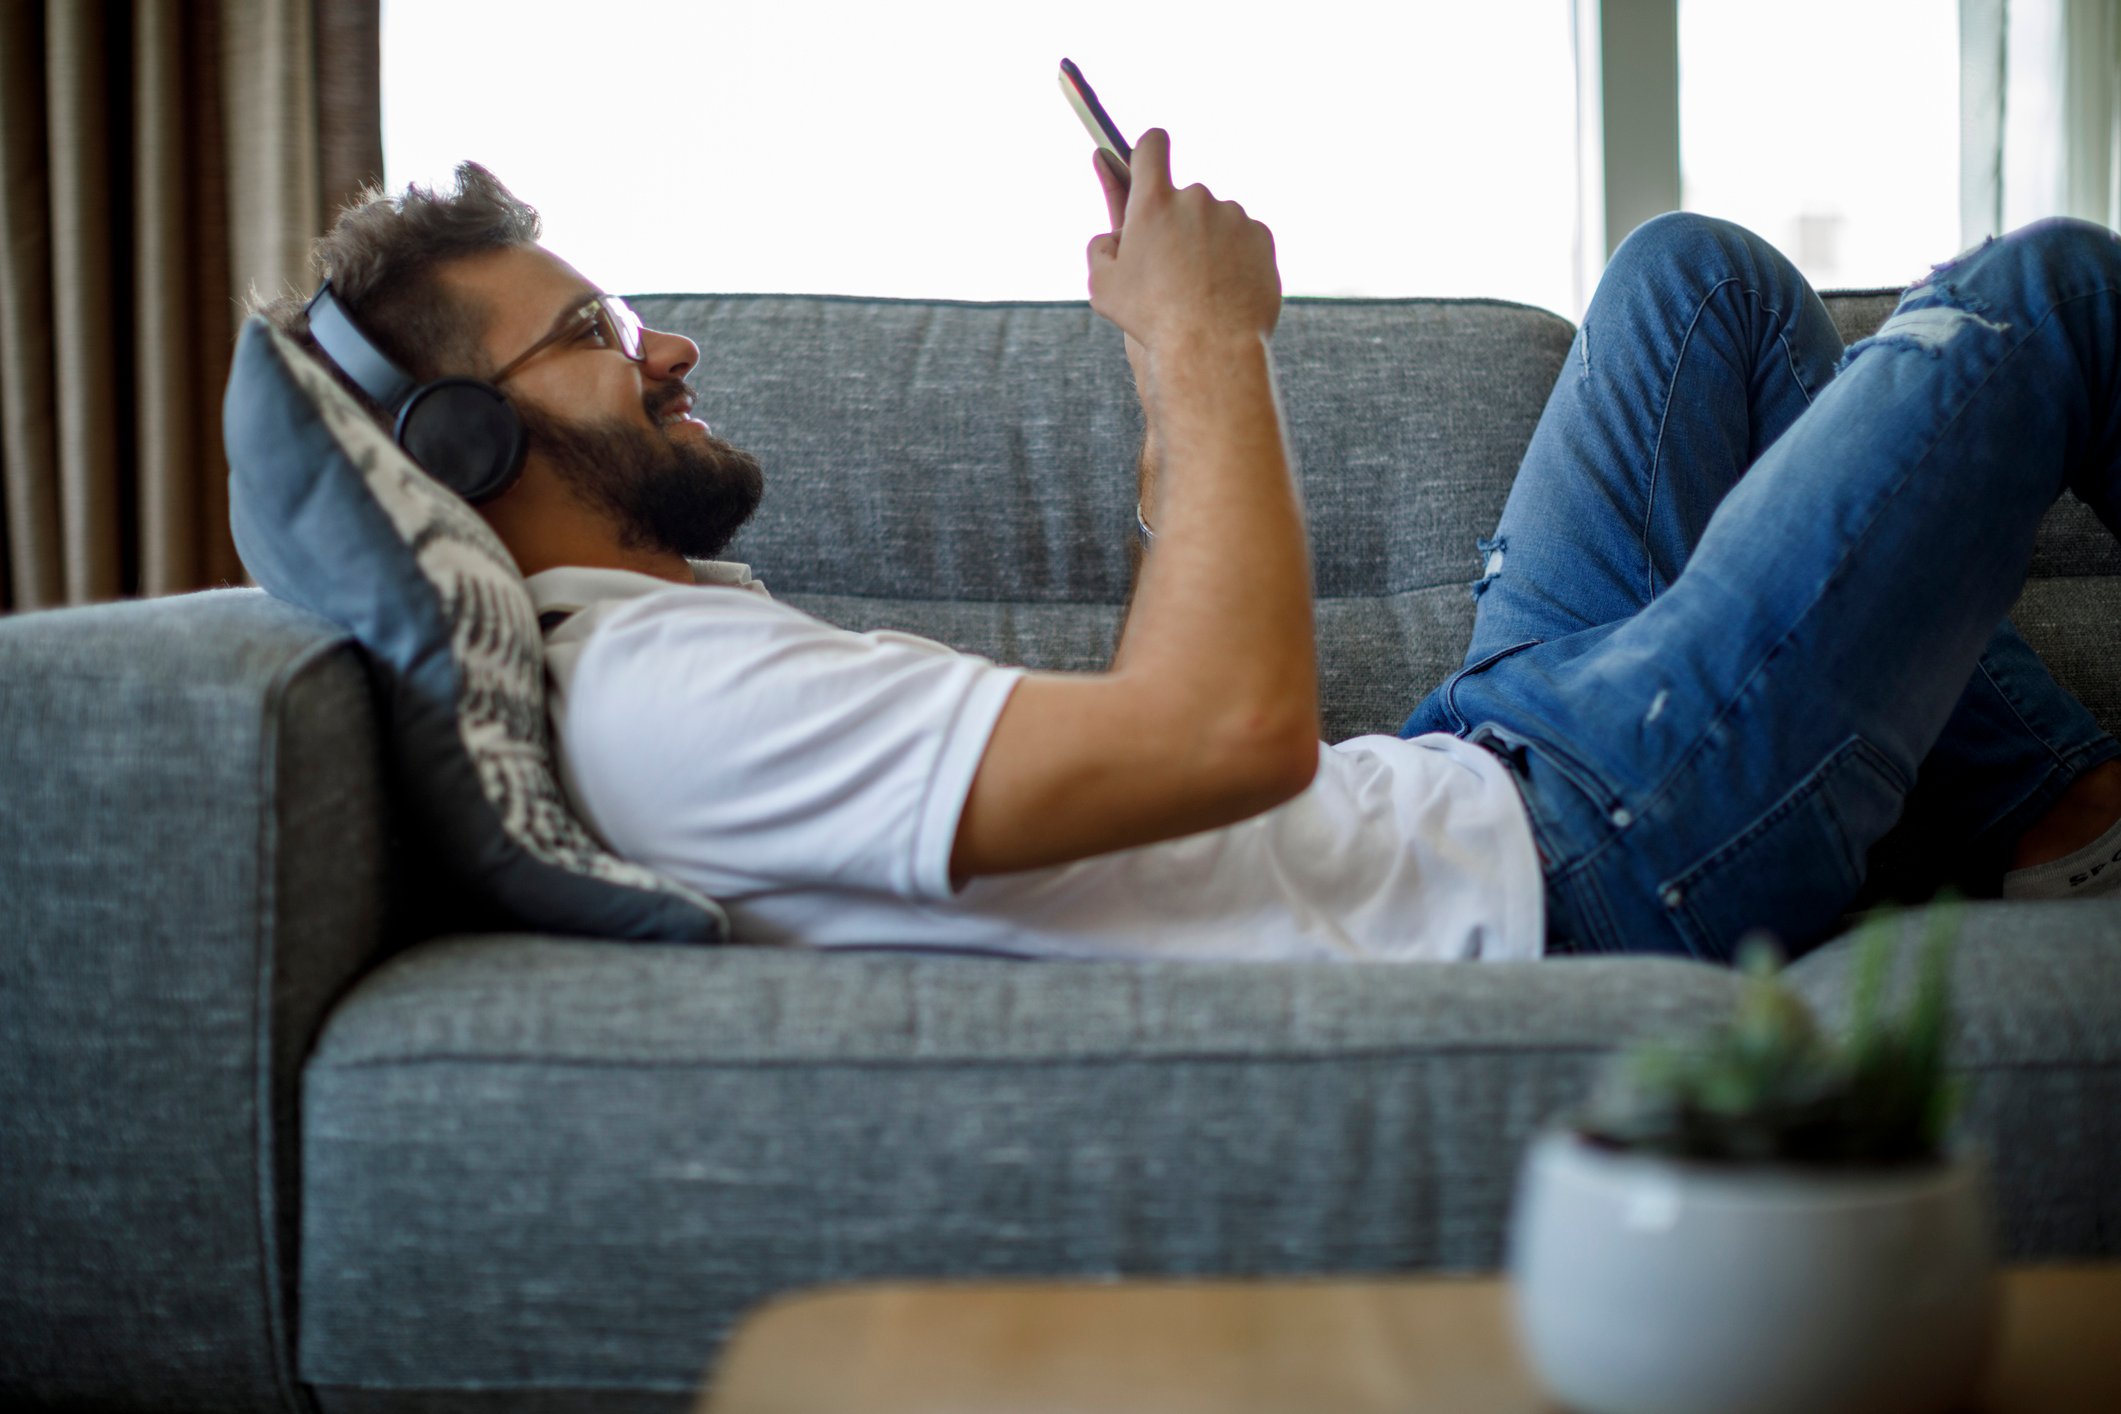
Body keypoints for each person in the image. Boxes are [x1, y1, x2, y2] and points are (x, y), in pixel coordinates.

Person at [263, 141, 2121, 964]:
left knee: (1688, 282)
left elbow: (1182, 765)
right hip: (1599, 861)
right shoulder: (660, 702)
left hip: (1489, 758)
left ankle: (2051, 810)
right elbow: (1227, 735)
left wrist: (1172, 413)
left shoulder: (682, 641)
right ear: (466, 445)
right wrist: (1202, 341)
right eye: (593, 325)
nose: (664, 346)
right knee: (2038, 295)